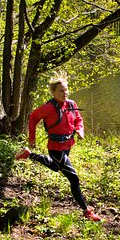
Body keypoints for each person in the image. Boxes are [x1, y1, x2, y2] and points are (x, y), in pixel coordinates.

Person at [15, 75, 101, 222]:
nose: (65, 93)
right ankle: (86, 211)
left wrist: (80, 130)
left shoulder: (71, 104)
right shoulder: (48, 108)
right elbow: (34, 117)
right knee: (74, 178)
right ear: (53, 92)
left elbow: (78, 119)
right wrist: (32, 137)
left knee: (55, 167)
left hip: (68, 145)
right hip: (56, 148)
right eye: (61, 91)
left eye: (66, 90)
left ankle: (29, 154)